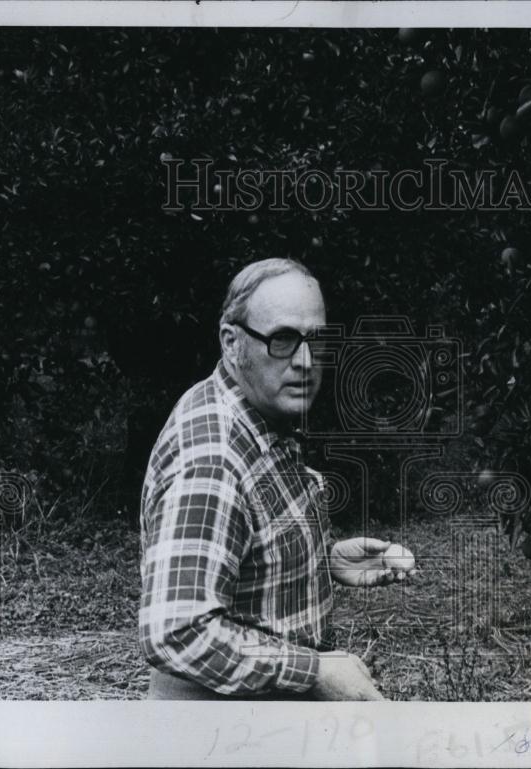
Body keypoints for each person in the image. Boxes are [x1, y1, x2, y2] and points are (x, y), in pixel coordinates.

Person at [139, 258, 416, 700]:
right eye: (283, 340)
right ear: (232, 343)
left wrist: (321, 559)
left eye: (316, 340)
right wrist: (316, 672)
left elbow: (240, 545)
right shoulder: (212, 458)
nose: (306, 362)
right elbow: (179, 632)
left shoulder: (254, 412)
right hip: (216, 740)